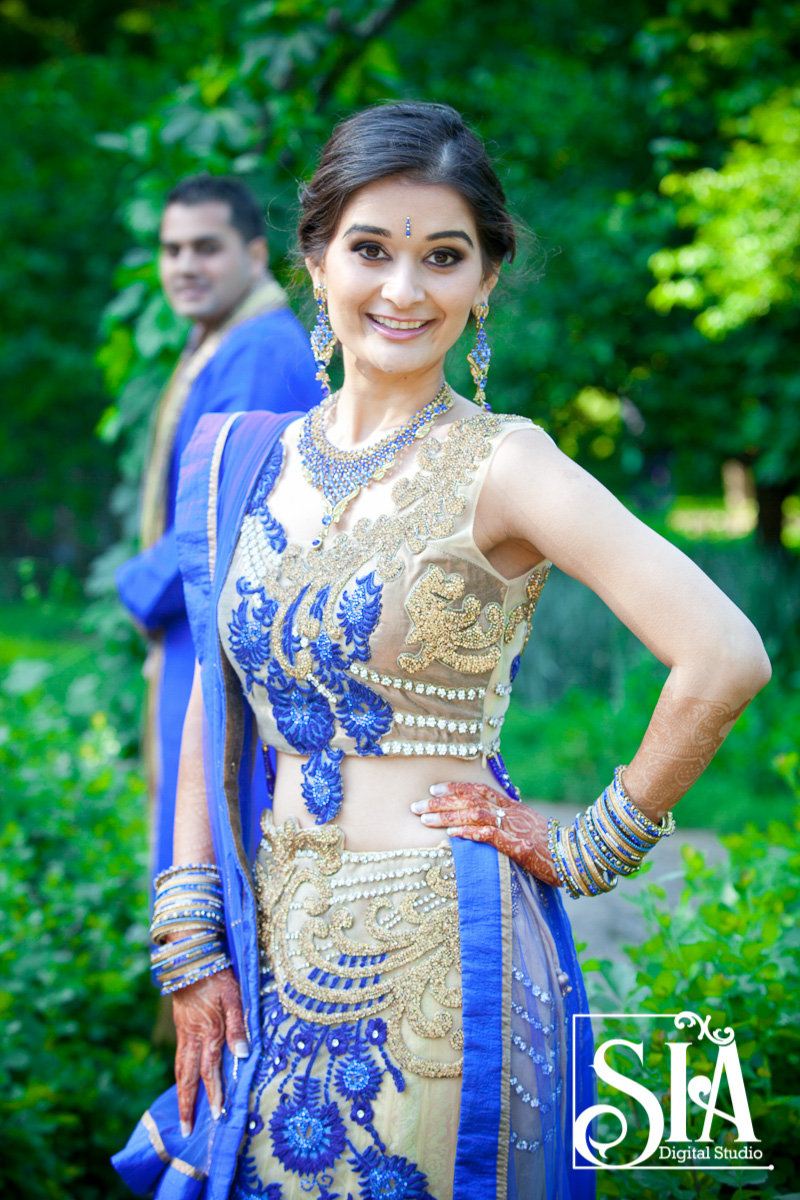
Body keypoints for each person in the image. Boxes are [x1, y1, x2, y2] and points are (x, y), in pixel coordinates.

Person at [112, 103, 771, 1200]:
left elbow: (723, 652)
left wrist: (583, 846)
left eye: (442, 257)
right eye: (371, 250)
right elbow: (211, 708)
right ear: (315, 260)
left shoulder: (505, 465)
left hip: (440, 962)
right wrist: (189, 934)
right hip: (265, 943)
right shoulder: (241, 460)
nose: (402, 291)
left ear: (484, 282)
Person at [115, 175, 320, 881]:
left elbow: (222, 519)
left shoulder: (259, 351)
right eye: (172, 250)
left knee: (208, 854)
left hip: (216, 637)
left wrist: (136, 586)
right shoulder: (227, 340)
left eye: (207, 247)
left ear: (256, 255)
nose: (185, 266)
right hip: (199, 625)